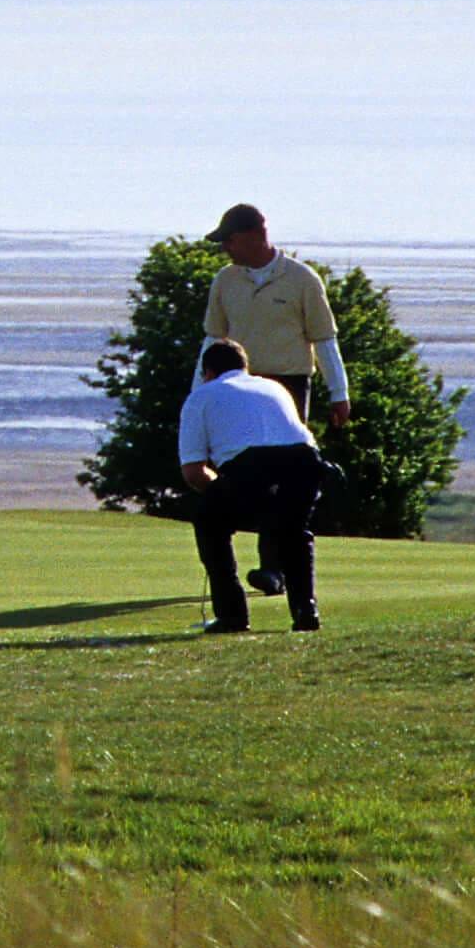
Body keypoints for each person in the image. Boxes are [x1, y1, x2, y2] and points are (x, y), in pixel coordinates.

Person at [179, 337, 322, 633]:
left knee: (208, 520)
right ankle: (305, 611)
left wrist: (222, 494)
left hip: (251, 464)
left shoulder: (201, 396)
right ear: (245, 366)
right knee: (294, 532)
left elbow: (194, 473)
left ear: (207, 372)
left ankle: (232, 614)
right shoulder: (273, 387)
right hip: (307, 462)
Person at [199, 202, 353, 427]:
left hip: (288, 387)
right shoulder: (225, 280)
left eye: (230, 240)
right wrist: (199, 393)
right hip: (238, 385)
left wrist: (339, 393)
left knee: (286, 457)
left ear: (257, 235)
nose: (225, 248)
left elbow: (324, 338)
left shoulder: (302, 279)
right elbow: (213, 338)